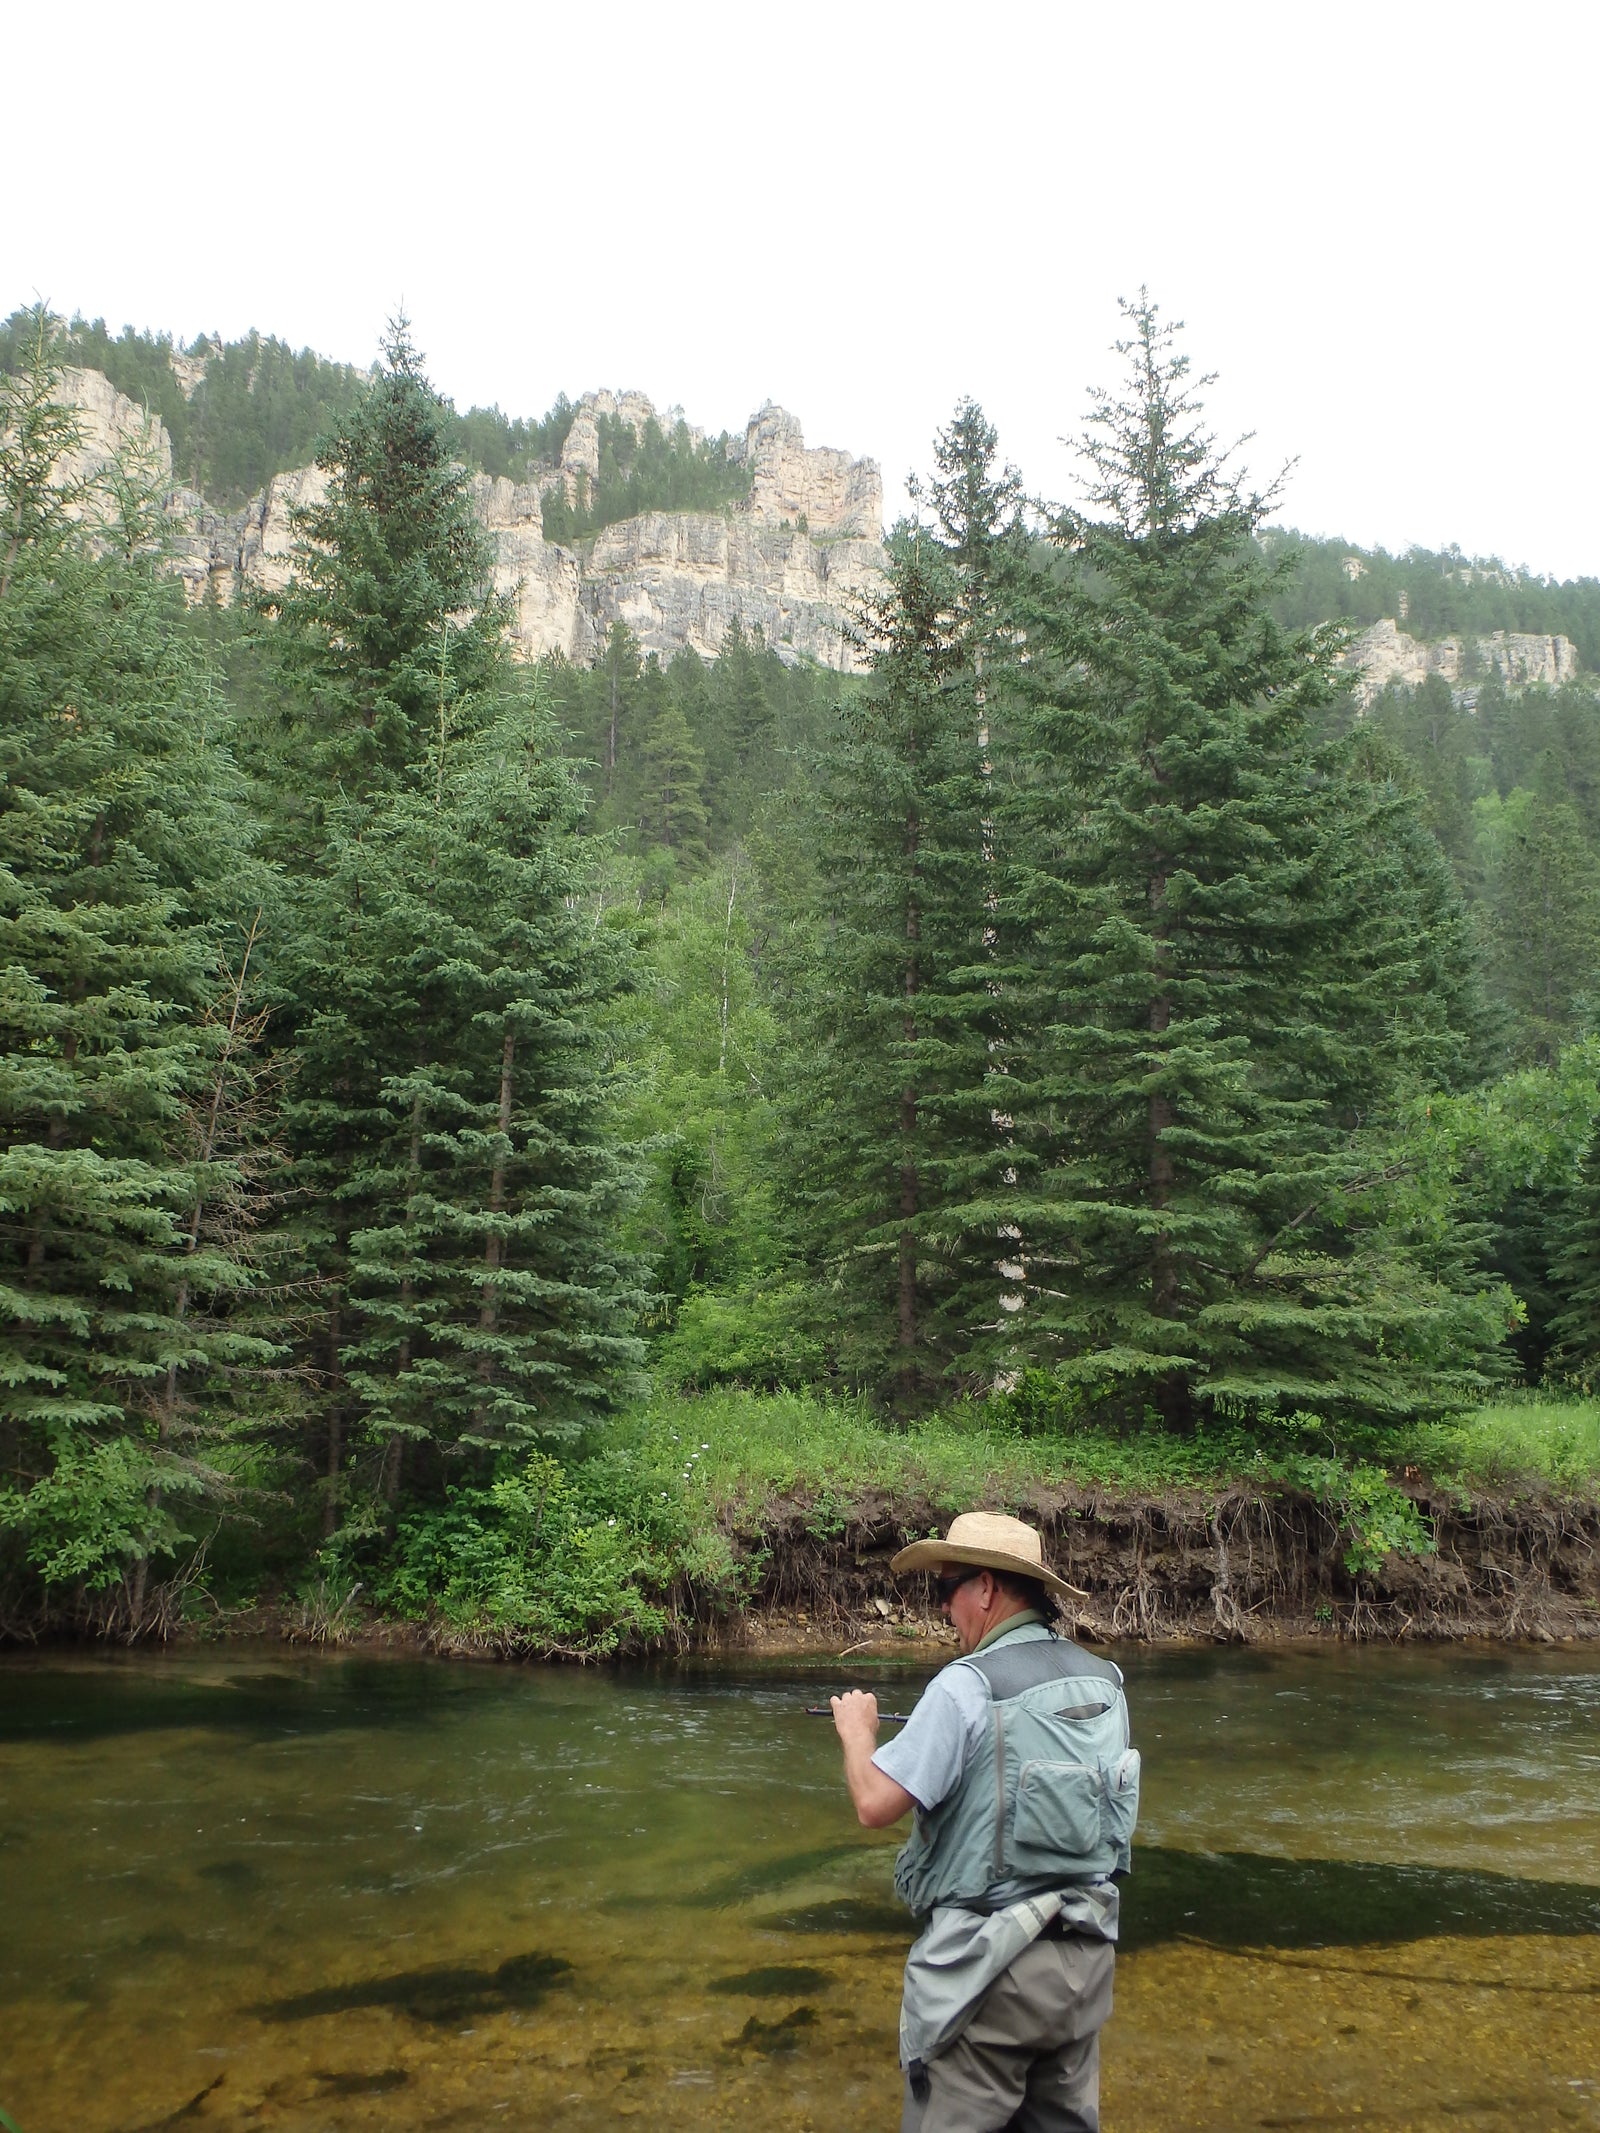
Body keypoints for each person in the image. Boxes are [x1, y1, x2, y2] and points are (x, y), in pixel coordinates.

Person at [831, 1511, 1139, 2133]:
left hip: (986, 1977)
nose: (944, 1609)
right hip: (1083, 1966)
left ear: (987, 1589)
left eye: (946, 1589)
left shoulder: (963, 1688)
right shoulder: (1106, 1681)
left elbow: (873, 1803)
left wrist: (857, 1732)